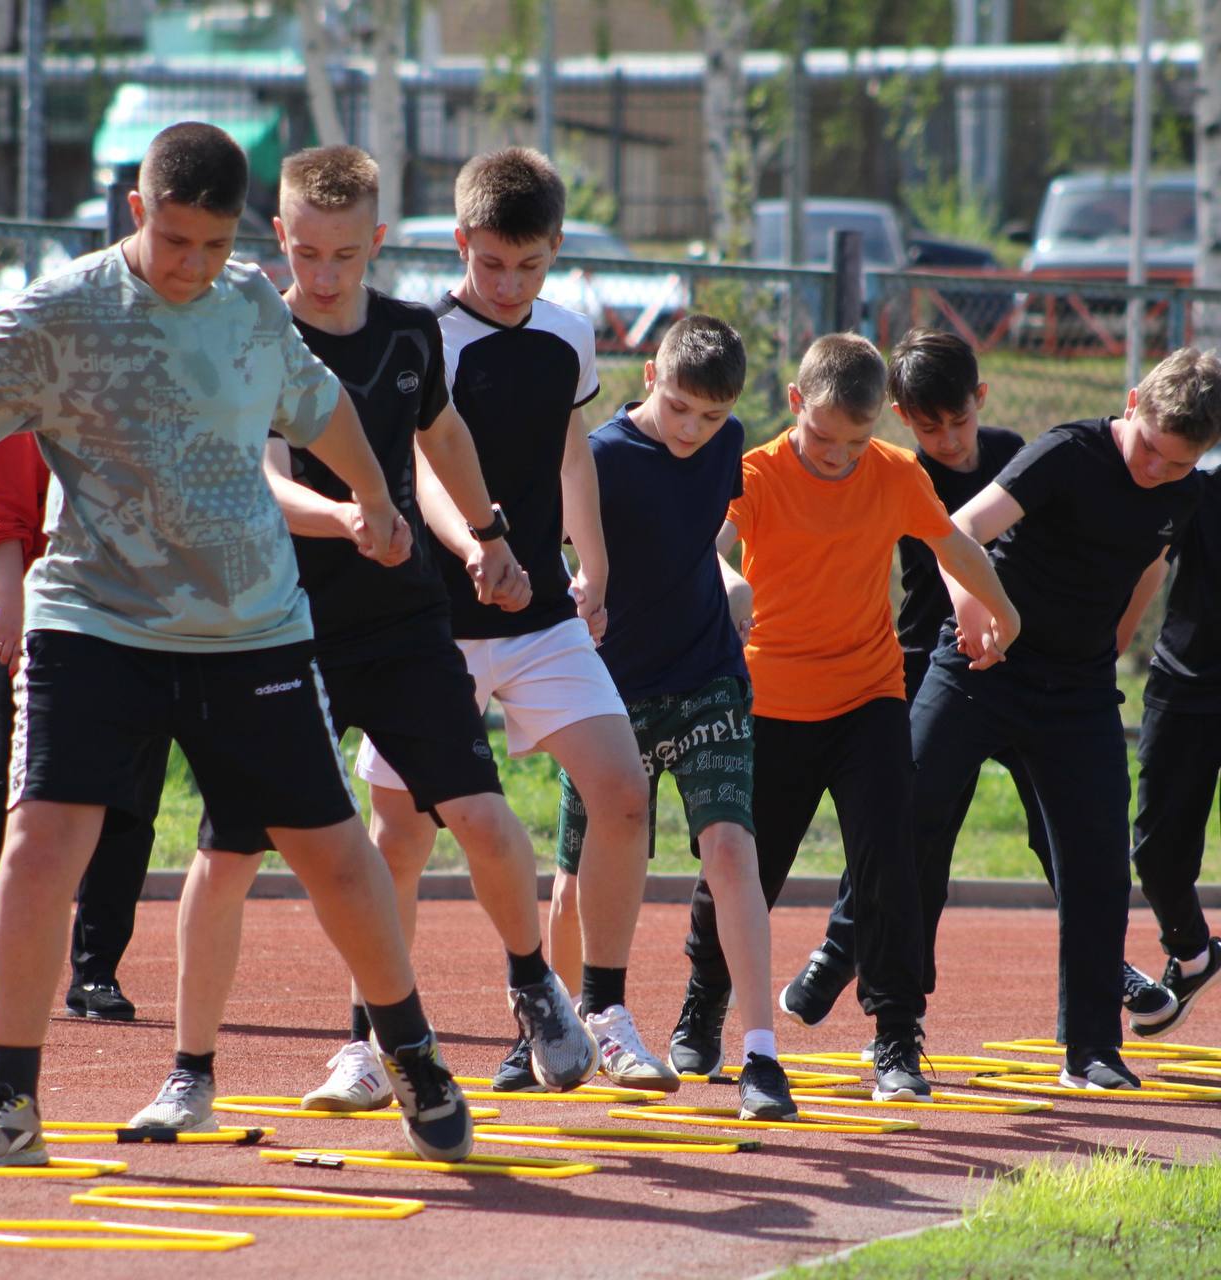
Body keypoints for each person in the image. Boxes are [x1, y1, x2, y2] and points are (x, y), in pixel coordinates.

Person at [0, 122, 471, 1167]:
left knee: (332, 850)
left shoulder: (250, 307)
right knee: (41, 839)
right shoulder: (61, 312)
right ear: (139, 211)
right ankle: (9, 1099)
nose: (193, 264)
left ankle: (410, 1051)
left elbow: (320, 406)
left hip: (248, 626)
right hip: (95, 619)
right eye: (175, 240)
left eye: (215, 245)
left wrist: (374, 497)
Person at [128, 144, 595, 1130]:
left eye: (345, 255)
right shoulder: (251, 332)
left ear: (376, 241)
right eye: (306, 254)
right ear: (279, 238)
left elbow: (443, 436)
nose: (326, 274)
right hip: (277, 630)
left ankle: (533, 983)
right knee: (229, 853)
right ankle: (190, 1072)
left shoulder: (410, 333)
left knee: (480, 814)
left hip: (402, 623)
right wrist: (346, 517)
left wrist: (491, 537)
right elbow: (264, 475)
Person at [354, 146, 677, 1092]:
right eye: (491, 263)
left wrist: (594, 565)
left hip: (540, 621)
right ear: (461, 242)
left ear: (556, 251)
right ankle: (371, 1044)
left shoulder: (569, 336)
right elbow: (423, 467)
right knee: (401, 836)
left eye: (529, 266)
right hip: (431, 624)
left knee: (624, 792)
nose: (508, 284)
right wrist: (475, 546)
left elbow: (573, 453)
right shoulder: (425, 336)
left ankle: (603, 1012)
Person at [779, 329, 1176, 1041]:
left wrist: (1094, 640)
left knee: (1065, 832)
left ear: (980, 399)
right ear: (901, 418)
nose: (949, 440)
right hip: (927, 664)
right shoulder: (891, 469)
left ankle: (1107, 967)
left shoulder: (1015, 455)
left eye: (958, 421)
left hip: (1027, 665)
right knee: (909, 826)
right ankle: (846, 949)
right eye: (929, 427)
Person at [667, 332, 1020, 1102]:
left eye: (855, 443)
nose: (837, 456)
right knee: (743, 867)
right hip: (770, 702)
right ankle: (705, 1001)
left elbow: (953, 545)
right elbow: (704, 548)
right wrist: (729, 583)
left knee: (890, 862)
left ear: (878, 426)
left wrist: (1002, 607)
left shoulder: (893, 473)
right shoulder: (754, 472)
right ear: (797, 403)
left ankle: (896, 1036)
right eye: (823, 438)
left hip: (868, 697)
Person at [898, 346, 1221, 1090]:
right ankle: (888, 1015)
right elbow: (958, 529)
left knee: (1098, 858)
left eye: (1177, 464)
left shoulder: (1182, 491)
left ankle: (1092, 1046)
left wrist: (1112, 643)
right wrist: (974, 615)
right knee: (910, 820)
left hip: (1076, 690)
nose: (1156, 470)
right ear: (1133, 403)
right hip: (984, 667)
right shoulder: (1068, 453)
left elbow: (1149, 566)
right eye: (1150, 450)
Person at [547, 314, 796, 1118]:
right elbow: (556, 543)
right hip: (609, 689)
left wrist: (727, 579)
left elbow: (689, 545)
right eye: (681, 408)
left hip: (707, 675)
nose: (693, 430)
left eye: (712, 416)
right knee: (575, 876)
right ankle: (552, 1027)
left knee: (730, 848)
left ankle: (762, 1055)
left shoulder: (729, 446)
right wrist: (573, 594)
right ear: (651, 375)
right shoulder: (601, 456)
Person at [0, 435, 168, 1023]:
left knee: (132, 796)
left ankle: (96, 973)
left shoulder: (176, 404)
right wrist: (11, 604)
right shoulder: (51, 393)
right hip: (40, 620)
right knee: (11, 789)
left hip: (146, 628)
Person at [1129, 461, 1221, 1039]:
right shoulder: (1199, 490)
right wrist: (1107, 642)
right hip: (1186, 685)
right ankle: (1192, 955)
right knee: (1157, 854)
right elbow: (1146, 565)